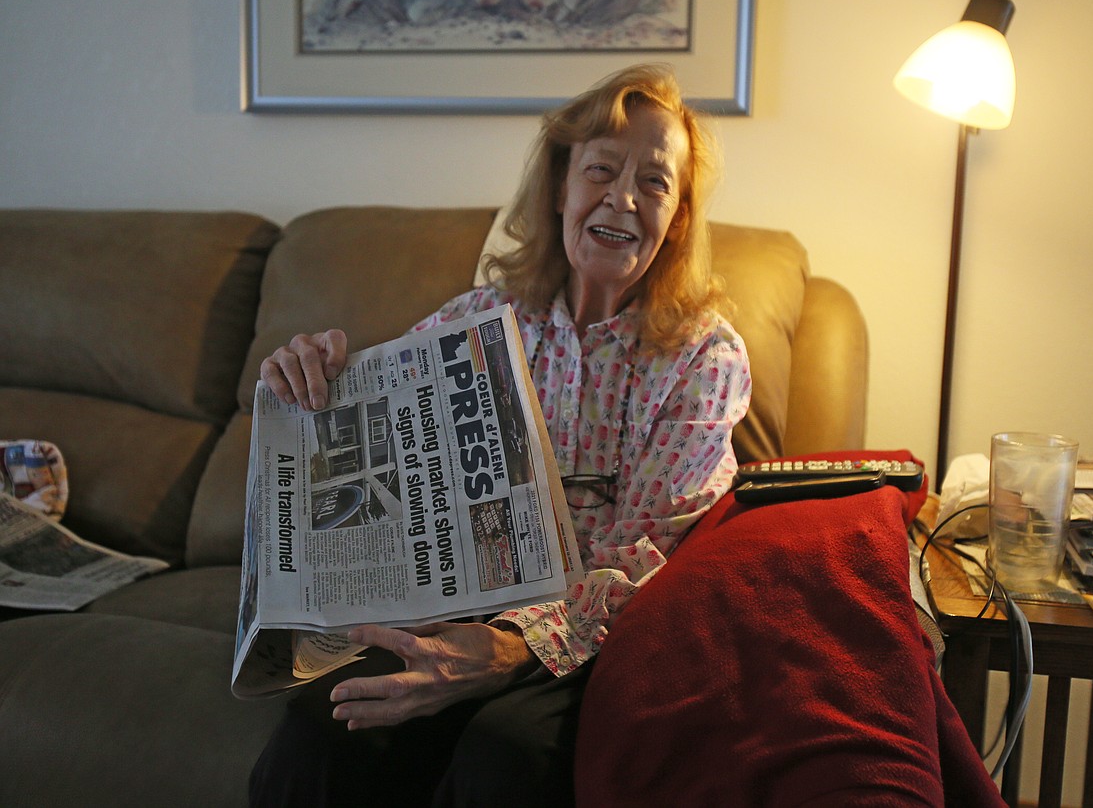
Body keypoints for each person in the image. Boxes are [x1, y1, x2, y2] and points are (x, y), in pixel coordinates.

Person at [249, 63, 752, 807]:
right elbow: (362, 435)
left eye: (654, 182)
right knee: (315, 739)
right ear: (560, 190)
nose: (621, 199)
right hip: (453, 603)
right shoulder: (479, 319)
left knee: (503, 758)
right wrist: (306, 379)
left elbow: (652, 547)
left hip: (595, 638)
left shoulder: (705, 356)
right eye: (601, 171)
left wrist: (517, 646)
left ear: (676, 216)